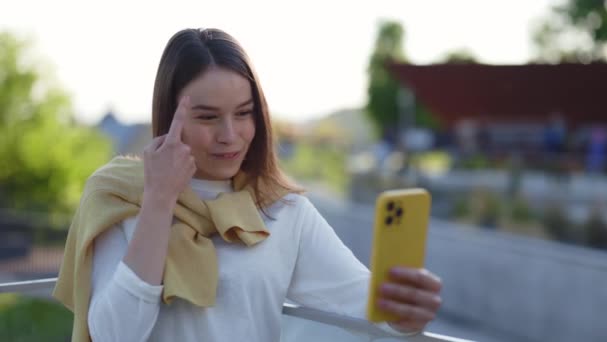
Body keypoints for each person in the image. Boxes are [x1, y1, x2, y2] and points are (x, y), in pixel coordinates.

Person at [53, 28, 442, 342]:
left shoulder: (281, 211)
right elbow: (112, 336)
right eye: (208, 117)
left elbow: (364, 305)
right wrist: (159, 200)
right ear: (169, 116)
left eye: (244, 114)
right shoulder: (120, 196)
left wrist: (408, 311)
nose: (230, 135)